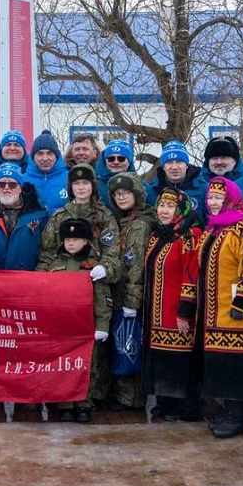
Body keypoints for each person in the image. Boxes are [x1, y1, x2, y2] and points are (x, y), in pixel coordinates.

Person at [184, 177, 243, 439]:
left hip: (238, 309)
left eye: (219, 197)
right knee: (222, 364)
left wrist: (242, 301)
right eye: (210, 197)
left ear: (232, 198)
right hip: (214, 310)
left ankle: (237, 416)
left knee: (236, 365)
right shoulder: (214, 229)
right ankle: (228, 413)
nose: (213, 202)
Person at [41, 218, 112, 423]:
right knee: (63, 366)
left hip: (86, 326)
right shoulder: (54, 265)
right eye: (67, 239)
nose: (71, 243)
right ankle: (65, 405)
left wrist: (102, 325)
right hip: (61, 327)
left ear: (86, 241)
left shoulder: (93, 267)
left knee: (87, 367)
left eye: (76, 239)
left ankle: (83, 404)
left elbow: (102, 299)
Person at [142, 188, 202, 421]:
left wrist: (185, 311)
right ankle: (165, 402)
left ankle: (185, 407)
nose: (164, 211)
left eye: (170, 206)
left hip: (177, 312)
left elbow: (191, 274)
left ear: (180, 210)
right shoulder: (158, 234)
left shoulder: (189, 235)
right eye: (161, 205)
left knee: (179, 360)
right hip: (156, 313)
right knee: (162, 359)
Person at [106, 172, 156, 410]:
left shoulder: (139, 224)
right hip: (118, 291)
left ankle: (131, 399)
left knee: (129, 345)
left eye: (126, 193)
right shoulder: (121, 220)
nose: (121, 197)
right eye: (117, 194)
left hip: (130, 295)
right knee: (121, 343)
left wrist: (132, 301)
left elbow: (135, 266)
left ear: (137, 194)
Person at [150, 140, 209, 220]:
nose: (174, 167)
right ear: (163, 167)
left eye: (179, 162)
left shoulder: (205, 190)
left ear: (186, 165)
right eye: (169, 162)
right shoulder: (151, 191)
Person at [96, 139, 156, 213]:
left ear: (129, 162)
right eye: (111, 159)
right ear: (105, 161)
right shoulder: (95, 185)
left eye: (121, 158)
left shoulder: (143, 187)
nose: (116, 162)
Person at [24, 130, 69, 216]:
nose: (45, 158)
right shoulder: (22, 180)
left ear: (57, 156)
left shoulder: (70, 178)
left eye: (50, 153)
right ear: (33, 157)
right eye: (40, 154)